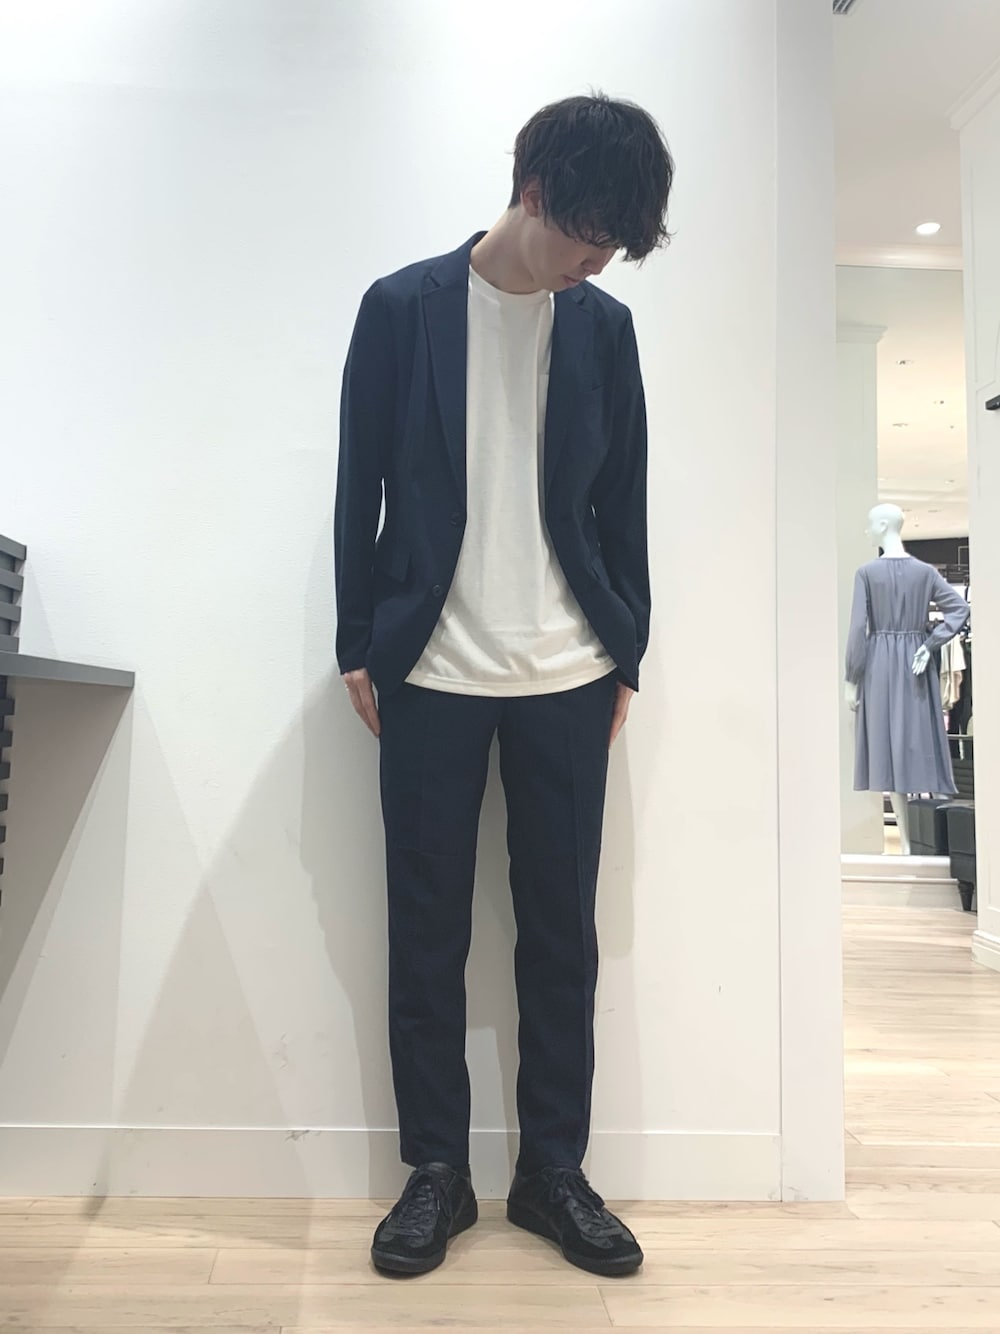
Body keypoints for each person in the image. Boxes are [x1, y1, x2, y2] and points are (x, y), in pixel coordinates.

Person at [335, 92, 673, 1279]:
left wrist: (628, 647)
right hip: (430, 665)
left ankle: (552, 1172)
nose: (599, 262)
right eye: (591, 235)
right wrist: (356, 640)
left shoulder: (603, 327)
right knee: (424, 928)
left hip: (570, 669)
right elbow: (358, 482)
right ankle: (436, 1168)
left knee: (560, 938)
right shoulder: (402, 308)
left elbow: (622, 498)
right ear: (533, 191)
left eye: (617, 246)